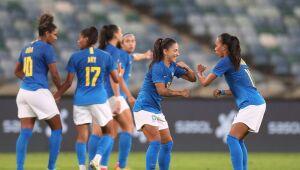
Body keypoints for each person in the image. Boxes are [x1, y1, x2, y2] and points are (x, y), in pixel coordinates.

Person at [197, 33, 266, 170]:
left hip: (251, 104)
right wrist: (222, 92)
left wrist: (199, 72)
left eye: (217, 45)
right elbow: (241, 88)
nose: (215, 48)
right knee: (238, 140)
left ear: (224, 46)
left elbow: (205, 83)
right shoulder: (238, 60)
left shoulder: (225, 61)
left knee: (232, 139)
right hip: (256, 102)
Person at [53, 26, 119, 170]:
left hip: (80, 100)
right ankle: (97, 158)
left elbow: (69, 82)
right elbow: (116, 79)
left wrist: (57, 94)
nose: (78, 41)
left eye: (80, 37)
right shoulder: (106, 56)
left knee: (82, 137)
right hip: (99, 100)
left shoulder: (76, 57)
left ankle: (82, 167)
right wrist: (118, 72)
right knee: (109, 132)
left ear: (87, 39)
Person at [133, 38, 196, 170]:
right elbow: (161, 91)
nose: (178, 53)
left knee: (167, 144)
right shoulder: (157, 66)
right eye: (175, 50)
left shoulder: (173, 66)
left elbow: (192, 79)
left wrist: (187, 68)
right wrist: (180, 93)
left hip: (155, 109)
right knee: (155, 142)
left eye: (178, 50)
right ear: (165, 51)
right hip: (144, 107)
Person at [14, 13, 63, 170]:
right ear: (47, 33)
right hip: (38, 92)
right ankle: (51, 167)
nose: (56, 38)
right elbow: (55, 74)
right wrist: (60, 91)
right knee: (57, 128)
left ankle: (19, 168)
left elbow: (17, 71)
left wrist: (28, 80)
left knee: (25, 132)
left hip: (23, 93)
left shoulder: (27, 47)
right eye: (55, 35)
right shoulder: (47, 48)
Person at [113, 33, 152, 170]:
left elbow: (135, 56)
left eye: (133, 41)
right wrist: (128, 96)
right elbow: (119, 78)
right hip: (118, 97)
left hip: (108, 98)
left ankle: (99, 162)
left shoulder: (126, 56)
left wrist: (145, 55)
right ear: (121, 44)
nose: (131, 43)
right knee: (128, 128)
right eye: (127, 41)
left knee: (108, 134)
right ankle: (121, 165)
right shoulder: (122, 56)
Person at [87, 24, 123, 170]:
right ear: (115, 34)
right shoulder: (113, 52)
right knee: (111, 132)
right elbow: (112, 77)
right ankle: (101, 163)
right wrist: (117, 97)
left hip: (94, 94)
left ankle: (97, 165)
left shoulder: (100, 50)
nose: (121, 34)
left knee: (96, 132)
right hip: (107, 96)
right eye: (120, 31)